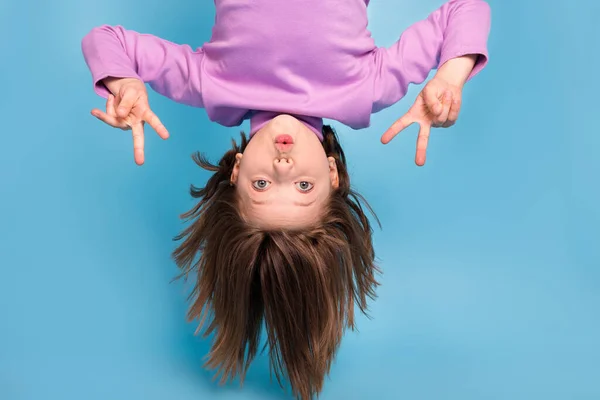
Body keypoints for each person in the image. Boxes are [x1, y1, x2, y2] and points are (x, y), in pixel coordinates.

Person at [81, 0, 491, 398]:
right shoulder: (366, 88)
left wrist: (125, 83)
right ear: (331, 175)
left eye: (261, 185)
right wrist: (450, 78)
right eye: (303, 187)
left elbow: (105, 39)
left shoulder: (211, 85)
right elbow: (465, 10)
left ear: (237, 170)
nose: (283, 166)